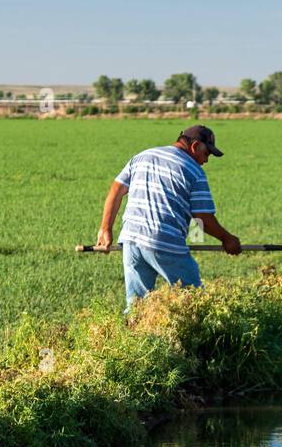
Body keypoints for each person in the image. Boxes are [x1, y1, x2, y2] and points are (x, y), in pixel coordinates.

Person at [95, 125, 241, 311]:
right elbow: (202, 217)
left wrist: (105, 229)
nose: (206, 160)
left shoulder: (142, 156)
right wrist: (227, 239)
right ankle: (200, 338)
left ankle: (132, 336)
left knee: (137, 307)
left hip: (131, 241)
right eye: (207, 154)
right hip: (164, 242)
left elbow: (116, 191)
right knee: (195, 303)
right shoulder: (194, 172)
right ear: (195, 146)